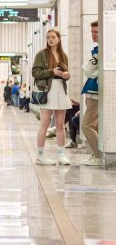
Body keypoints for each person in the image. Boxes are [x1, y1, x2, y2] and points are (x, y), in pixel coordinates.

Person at [32, 29, 72, 165]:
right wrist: (52, 72)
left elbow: (66, 73)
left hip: (61, 89)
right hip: (47, 91)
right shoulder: (41, 54)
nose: (50, 39)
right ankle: (40, 156)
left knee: (60, 124)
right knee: (45, 123)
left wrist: (67, 75)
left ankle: (61, 155)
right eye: (48, 37)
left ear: (59, 39)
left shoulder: (63, 55)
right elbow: (35, 73)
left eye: (53, 37)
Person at [80, 21, 101, 166]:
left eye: (96, 32)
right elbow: (87, 71)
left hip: (96, 92)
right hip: (91, 92)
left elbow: (89, 70)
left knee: (86, 125)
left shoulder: (103, 51)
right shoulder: (97, 50)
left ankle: (98, 156)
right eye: (92, 32)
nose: (93, 34)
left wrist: (91, 70)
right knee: (95, 126)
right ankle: (96, 154)